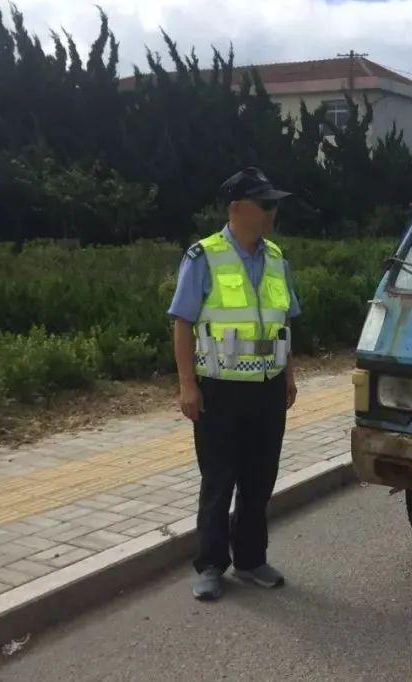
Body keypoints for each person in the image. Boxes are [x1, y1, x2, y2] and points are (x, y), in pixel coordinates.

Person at [167, 166, 301, 601]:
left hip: (267, 388)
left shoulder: (278, 258)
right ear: (238, 209)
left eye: (274, 205)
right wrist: (187, 384)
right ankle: (210, 565)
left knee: (260, 480)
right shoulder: (203, 256)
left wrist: (289, 376)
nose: (272, 213)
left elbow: (283, 323)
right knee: (219, 480)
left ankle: (250, 560)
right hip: (219, 390)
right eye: (265, 205)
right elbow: (182, 322)